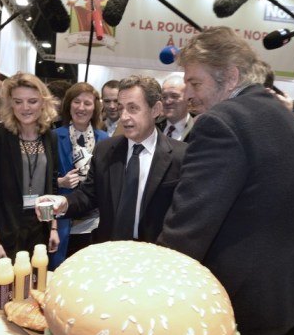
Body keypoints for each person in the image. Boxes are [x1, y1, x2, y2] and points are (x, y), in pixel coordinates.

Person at [156, 26, 294, 335]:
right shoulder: (283, 117)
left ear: (229, 76)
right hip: (279, 302)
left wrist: (154, 286)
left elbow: (189, 226)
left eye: (195, 83)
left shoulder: (221, 122)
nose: (188, 95)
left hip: (232, 307)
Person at [36, 75, 187, 245]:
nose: (124, 116)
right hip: (109, 250)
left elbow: (184, 215)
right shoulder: (105, 150)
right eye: (121, 108)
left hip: (156, 253)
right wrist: (63, 202)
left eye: (133, 108)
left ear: (155, 110)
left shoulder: (181, 156)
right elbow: (88, 195)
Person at [0, 72, 59, 263]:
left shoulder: (49, 136)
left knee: (34, 285)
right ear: (10, 103)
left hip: (40, 227)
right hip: (5, 227)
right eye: (18, 101)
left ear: (43, 103)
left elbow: (51, 187)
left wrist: (52, 227)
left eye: (32, 101)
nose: (25, 108)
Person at [52, 82, 109, 268]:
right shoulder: (53, 136)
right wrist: (60, 181)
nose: (81, 108)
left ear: (95, 108)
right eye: (77, 102)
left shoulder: (105, 140)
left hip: (94, 221)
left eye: (87, 103)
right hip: (62, 219)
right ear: (69, 105)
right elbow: (41, 180)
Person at [156, 75, 195, 142]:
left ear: (188, 99)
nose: (167, 102)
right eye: (164, 97)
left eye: (174, 96)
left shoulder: (197, 130)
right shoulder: (154, 128)